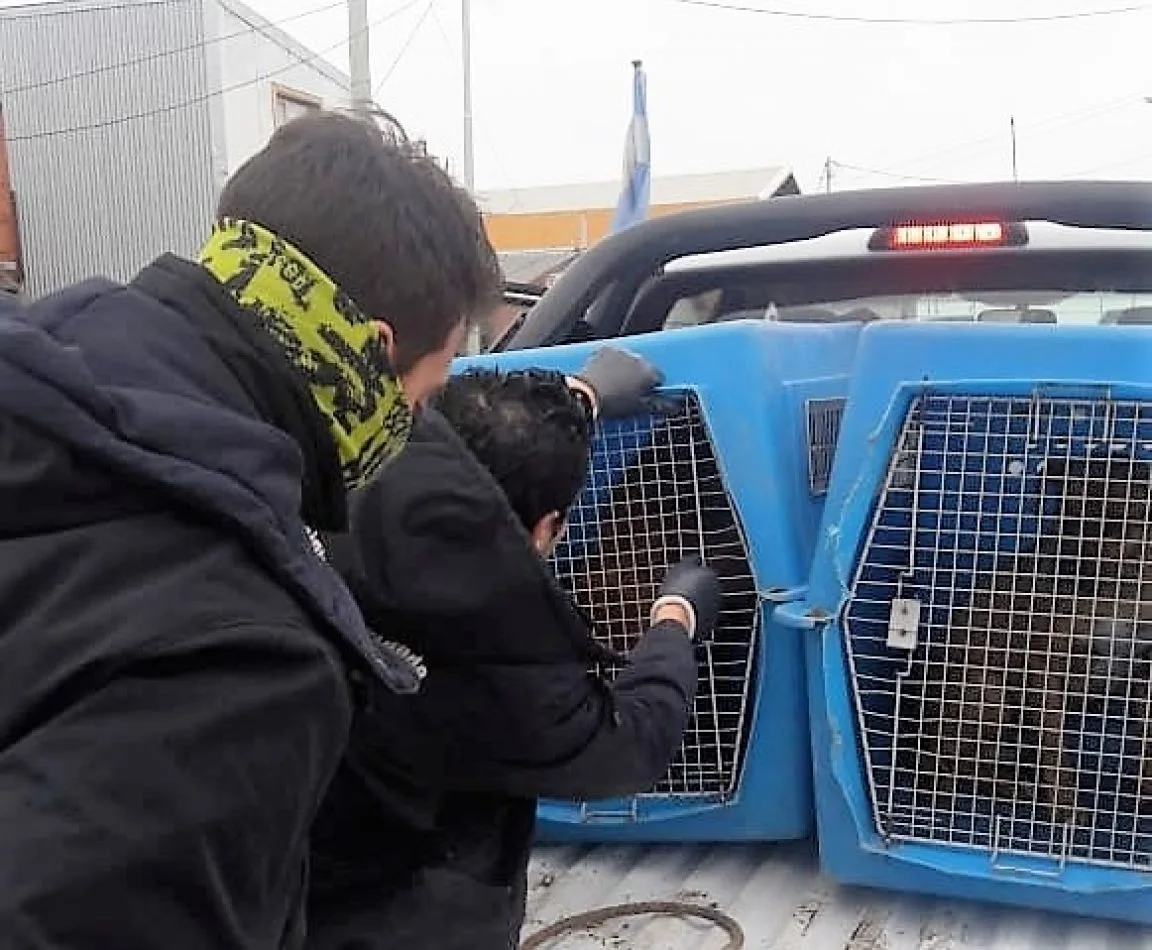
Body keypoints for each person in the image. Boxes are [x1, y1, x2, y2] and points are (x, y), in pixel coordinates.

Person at [0, 111, 501, 947]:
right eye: (415, 402)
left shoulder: (37, 410)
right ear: (362, 362)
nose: (410, 431)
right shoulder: (248, 657)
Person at [308, 365, 721, 950]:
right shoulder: (506, 670)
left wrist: (581, 398)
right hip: (392, 914)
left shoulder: (334, 497)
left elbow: (468, 446)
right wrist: (676, 618)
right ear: (544, 529)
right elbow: (633, 740)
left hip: (284, 865)